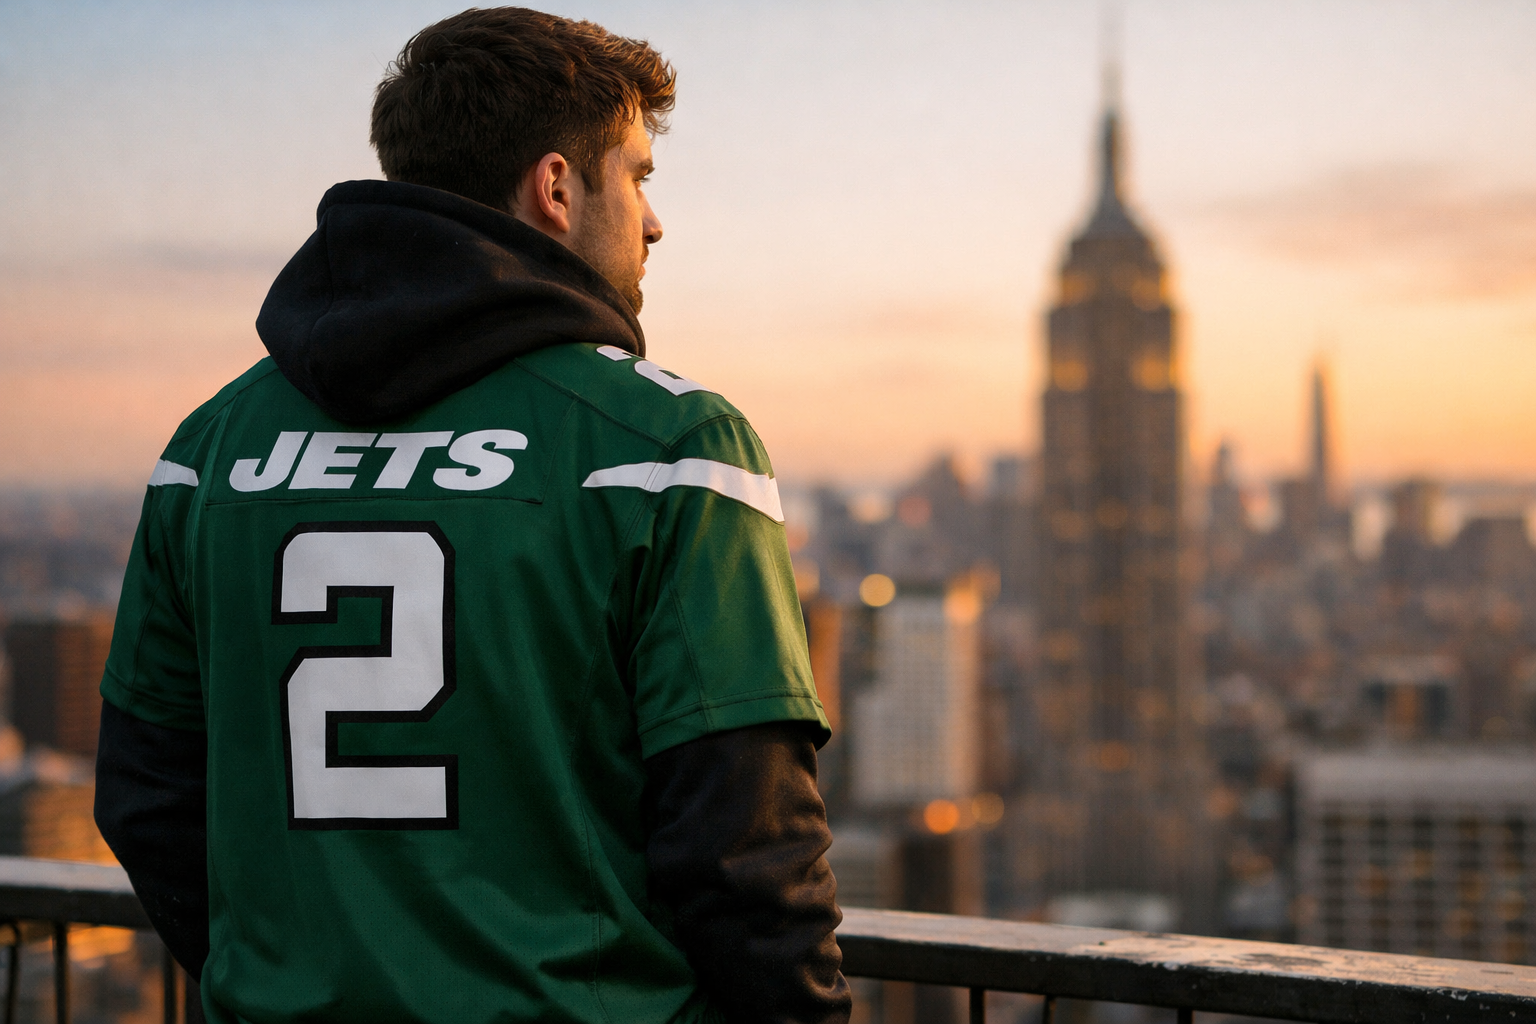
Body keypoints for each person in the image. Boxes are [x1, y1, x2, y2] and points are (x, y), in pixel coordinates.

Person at [93, 8, 851, 1023]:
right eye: (638, 176)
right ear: (555, 188)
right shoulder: (672, 450)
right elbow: (749, 855)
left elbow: (146, 796)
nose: (655, 220)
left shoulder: (209, 452)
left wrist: (284, 976)